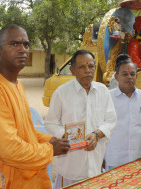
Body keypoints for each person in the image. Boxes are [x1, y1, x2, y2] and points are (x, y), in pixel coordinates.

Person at [0, 24, 70, 189]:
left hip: (25, 178)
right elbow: (9, 149)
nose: (22, 49)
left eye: (26, 44)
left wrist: (51, 139)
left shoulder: (16, 84)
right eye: (14, 44)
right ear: (0, 50)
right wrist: (50, 149)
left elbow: (25, 130)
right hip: (4, 179)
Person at [45, 49, 117, 188]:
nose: (88, 71)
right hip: (70, 165)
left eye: (91, 66)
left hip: (94, 165)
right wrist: (69, 135)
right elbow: (50, 122)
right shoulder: (62, 93)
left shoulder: (102, 91)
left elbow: (111, 120)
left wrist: (96, 135)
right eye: (82, 67)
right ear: (72, 70)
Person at [104, 54, 141, 170]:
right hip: (114, 158)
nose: (129, 77)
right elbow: (100, 127)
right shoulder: (107, 98)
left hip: (138, 158)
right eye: (125, 74)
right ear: (116, 76)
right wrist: (101, 156)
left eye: (132, 74)